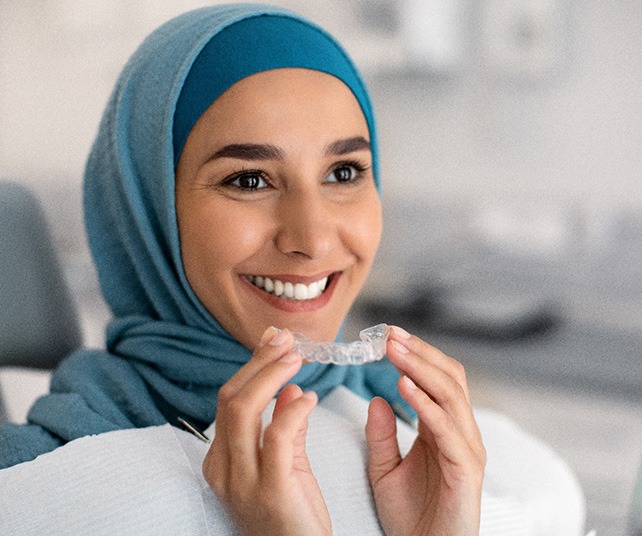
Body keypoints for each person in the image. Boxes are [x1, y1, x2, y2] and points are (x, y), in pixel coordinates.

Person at [0, 4, 486, 534]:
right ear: (147, 209)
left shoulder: (422, 436)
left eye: (343, 172)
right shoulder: (40, 483)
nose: (313, 238)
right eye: (250, 180)